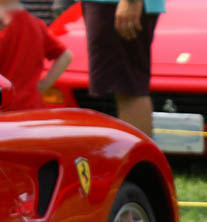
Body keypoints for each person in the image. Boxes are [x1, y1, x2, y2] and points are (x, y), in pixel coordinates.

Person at [81, 0, 162, 134]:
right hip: (110, 5)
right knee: (125, 87)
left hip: (118, 4)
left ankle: (138, 154)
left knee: (128, 88)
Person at [0, 0, 72, 111]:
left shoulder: (4, 28)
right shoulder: (36, 24)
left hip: (5, 110)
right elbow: (66, 56)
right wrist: (43, 85)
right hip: (32, 107)